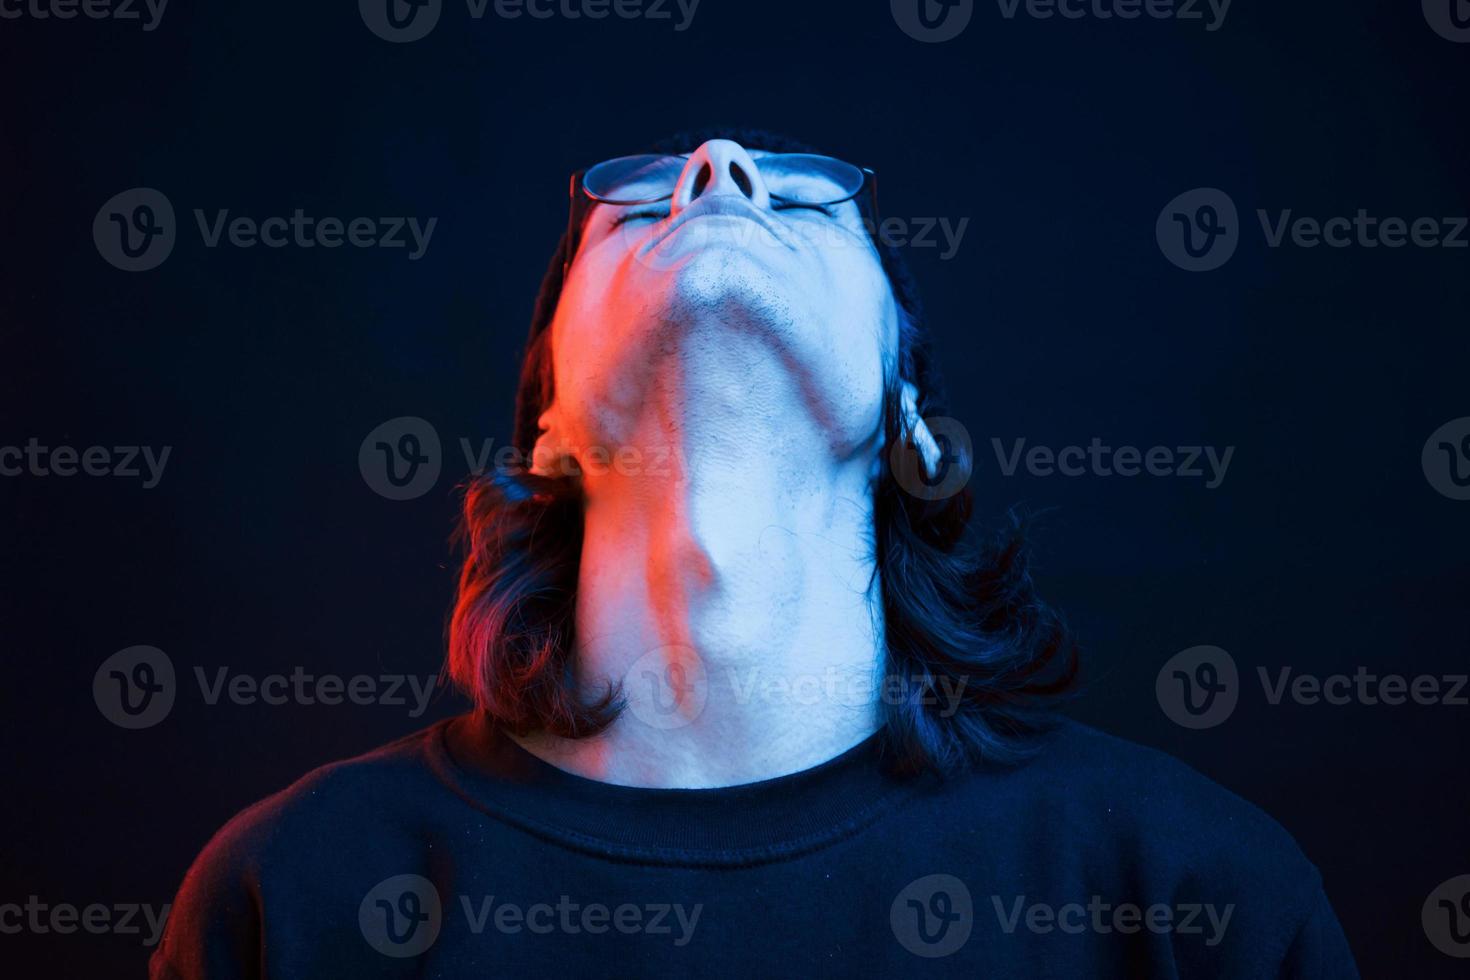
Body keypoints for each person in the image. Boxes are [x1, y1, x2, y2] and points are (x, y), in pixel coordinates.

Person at [151, 128, 1359, 978]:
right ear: (551, 428)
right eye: (630, 202)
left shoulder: (1189, 889)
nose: (717, 172)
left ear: (906, 415)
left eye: (804, 193)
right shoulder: (295, 894)